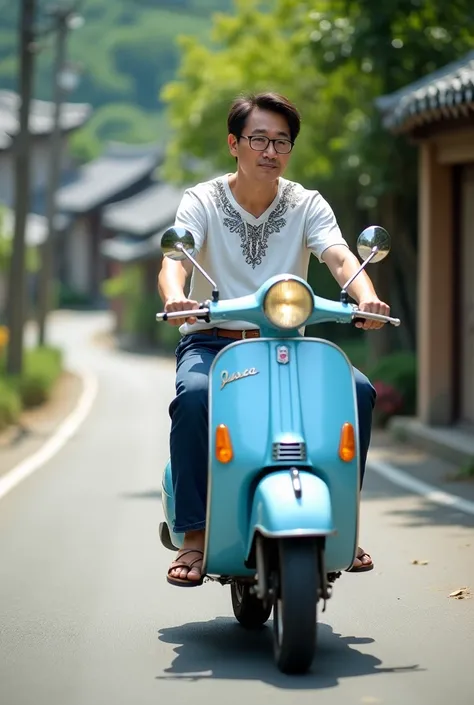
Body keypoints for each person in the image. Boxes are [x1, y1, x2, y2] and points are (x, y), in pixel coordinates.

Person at [158, 92, 390, 587]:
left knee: (359, 392)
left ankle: (344, 521)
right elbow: (174, 258)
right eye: (258, 139)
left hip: (289, 344)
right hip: (214, 343)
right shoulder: (202, 199)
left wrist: (367, 296)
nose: (270, 150)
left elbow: (340, 257)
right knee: (195, 398)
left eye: (281, 141)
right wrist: (176, 295)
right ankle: (195, 537)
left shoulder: (306, 202)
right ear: (234, 144)